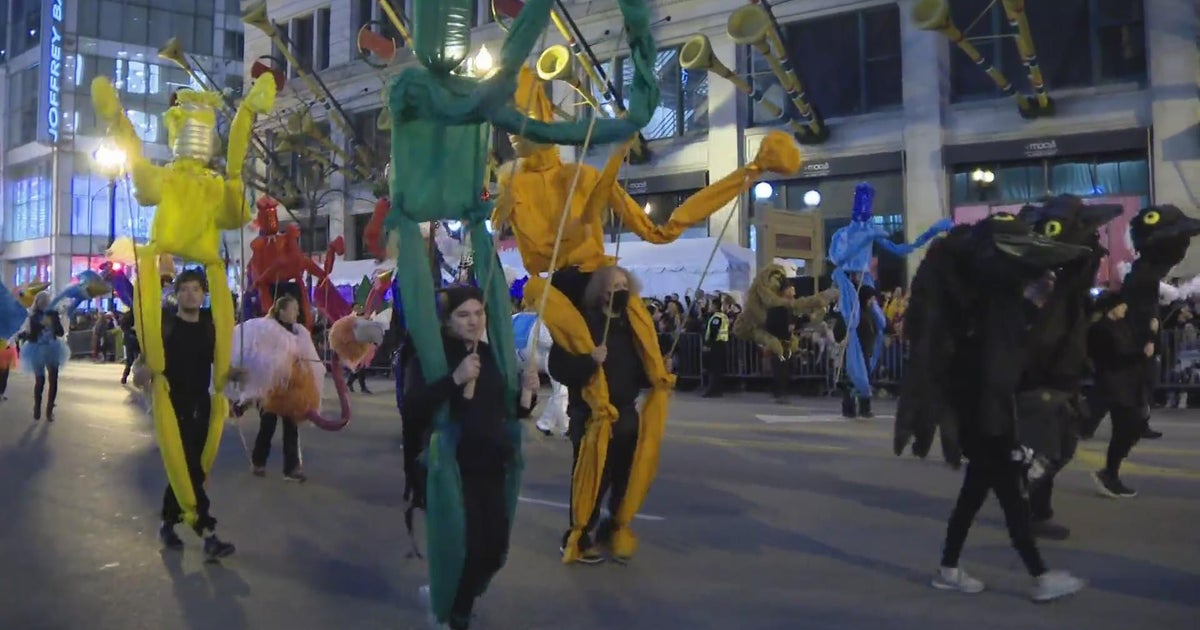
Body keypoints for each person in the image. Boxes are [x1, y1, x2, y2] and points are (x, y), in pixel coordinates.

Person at [402, 285, 538, 630]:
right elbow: (415, 408)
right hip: (453, 468)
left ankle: (451, 597)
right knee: (466, 547)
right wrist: (455, 378)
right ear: (447, 319)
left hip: (491, 462)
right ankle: (453, 612)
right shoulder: (430, 355)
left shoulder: (490, 354)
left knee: (494, 549)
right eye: (463, 314)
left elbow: (504, 410)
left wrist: (527, 397)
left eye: (479, 313)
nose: (473, 321)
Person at [134, 269, 238, 560]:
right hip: (172, 407)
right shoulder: (165, 325)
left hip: (201, 406)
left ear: (204, 295)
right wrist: (141, 374)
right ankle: (208, 534)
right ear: (175, 294)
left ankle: (168, 524)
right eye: (184, 289)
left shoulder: (209, 326)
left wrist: (234, 375)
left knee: (193, 469)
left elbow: (219, 365)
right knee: (190, 468)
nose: (190, 294)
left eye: (196, 289)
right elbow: (143, 364)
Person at [549, 265, 649, 563]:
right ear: (599, 291)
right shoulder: (585, 324)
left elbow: (637, 373)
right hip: (591, 417)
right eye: (612, 285)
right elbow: (559, 368)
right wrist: (589, 360)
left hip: (627, 418)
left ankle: (612, 529)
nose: (619, 290)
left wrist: (656, 369)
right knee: (592, 478)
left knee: (623, 480)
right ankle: (579, 535)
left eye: (623, 284)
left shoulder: (633, 325)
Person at [1087, 291, 1152, 498]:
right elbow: (1113, 358)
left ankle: (1110, 472)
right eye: (1122, 305)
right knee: (1124, 430)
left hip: (1131, 386)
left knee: (1133, 428)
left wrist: (1150, 337)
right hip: (1115, 386)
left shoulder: (1122, 326)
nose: (1125, 308)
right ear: (1112, 307)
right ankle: (1110, 474)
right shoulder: (1100, 330)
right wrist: (1141, 353)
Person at [250, 295, 307, 482]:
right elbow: (259, 356)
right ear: (281, 311)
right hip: (270, 387)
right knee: (268, 424)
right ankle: (258, 461)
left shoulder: (298, 332)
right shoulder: (268, 330)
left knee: (291, 426)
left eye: (297, 309)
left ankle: (291, 468)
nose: (297, 312)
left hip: (291, 386)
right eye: (293, 309)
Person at [21, 291, 69, 421]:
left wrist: (52, 324)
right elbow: (30, 337)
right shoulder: (33, 316)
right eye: (42, 301)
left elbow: (60, 332)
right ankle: (37, 406)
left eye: (47, 301)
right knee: (40, 380)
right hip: (37, 349)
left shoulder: (53, 314)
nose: (45, 303)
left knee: (53, 380)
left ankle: (49, 409)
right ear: (38, 303)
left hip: (53, 348)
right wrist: (34, 329)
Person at [701, 296, 731, 398]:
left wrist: (708, 345)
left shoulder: (717, 317)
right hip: (720, 344)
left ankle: (712, 390)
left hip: (716, 345)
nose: (710, 307)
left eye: (711, 305)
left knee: (713, 369)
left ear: (715, 306)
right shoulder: (723, 316)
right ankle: (717, 390)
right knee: (717, 369)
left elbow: (714, 332)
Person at [120, 310, 140, 385]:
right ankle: (136, 378)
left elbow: (122, 327)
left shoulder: (126, 315)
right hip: (136, 339)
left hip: (129, 340)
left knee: (130, 360)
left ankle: (125, 377)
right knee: (138, 360)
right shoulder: (139, 314)